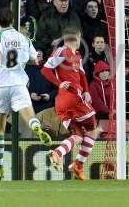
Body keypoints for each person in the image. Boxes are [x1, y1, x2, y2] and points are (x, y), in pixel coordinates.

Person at [0, 8, 52, 181]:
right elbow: (36, 60)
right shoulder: (24, 38)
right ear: (13, 21)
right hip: (20, 83)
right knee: (29, 116)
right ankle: (36, 127)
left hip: (1, 83)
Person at [41, 26, 98, 180]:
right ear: (77, 38)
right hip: (72, 98)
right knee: (93, 130)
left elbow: (82, 74)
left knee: (78, 135)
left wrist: (86, 90)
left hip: (66, 102)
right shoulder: (62, 51)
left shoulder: (77, 55)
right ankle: (78, 165)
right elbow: (45, 70)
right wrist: (58, 83)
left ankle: (58, 153)